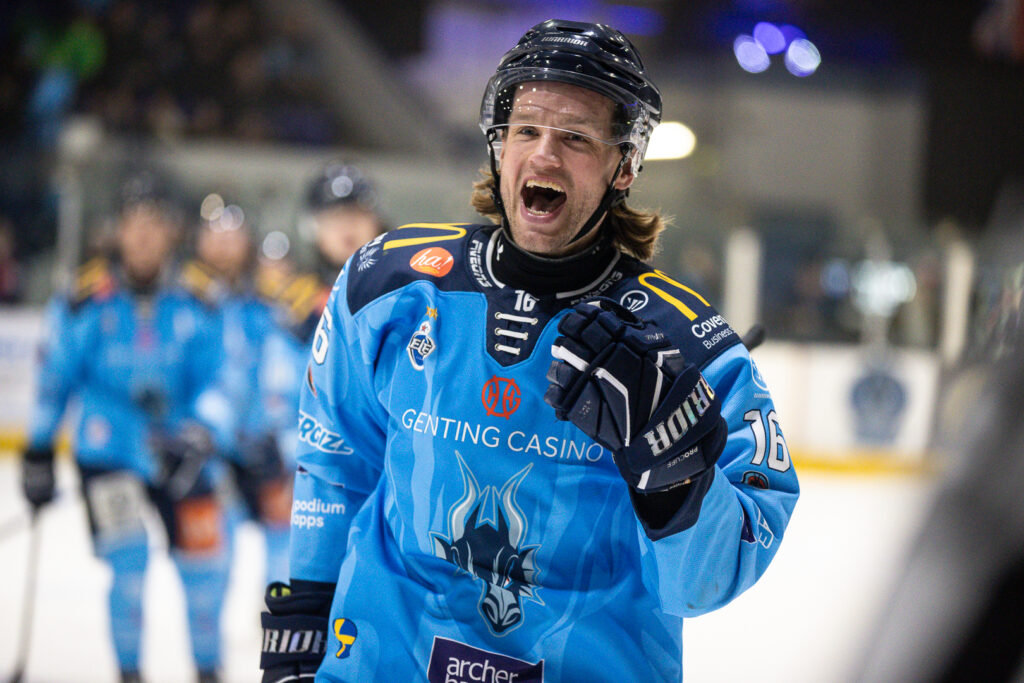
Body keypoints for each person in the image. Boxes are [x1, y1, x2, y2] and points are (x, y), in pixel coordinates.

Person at [259, 19, 799, 682]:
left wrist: (673, 470)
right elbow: (334, 463)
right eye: (526, 130)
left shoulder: (691, 347)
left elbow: (707, 583)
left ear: (624, 165)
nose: (544, 155)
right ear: (498, 145)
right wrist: (304, 616)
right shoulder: (387, 286)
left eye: (575, 137)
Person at [21, 172, 231, 683]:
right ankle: (130, 675)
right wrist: (39, 449)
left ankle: (208, 673)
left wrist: (202, 431)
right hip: (107, 451)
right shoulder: (84, 298)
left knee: (204, 575)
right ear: (116, 229)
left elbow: (223, 380)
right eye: (132, 221)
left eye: (153, 222)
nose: (142, 234)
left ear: (172, 231)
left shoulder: (201, 298)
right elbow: (55, 377)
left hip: (182, 454)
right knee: (128, 570)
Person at [192, 197, 292, 586]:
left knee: (284, 564)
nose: (223, 244)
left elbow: (285, 370)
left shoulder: (269, 302)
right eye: (214, 235)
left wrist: (281, 435)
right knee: (208, 570)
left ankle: (277, 619)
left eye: (232, 236)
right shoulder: (182, 298)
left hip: (267, 448)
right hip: (205, 451)